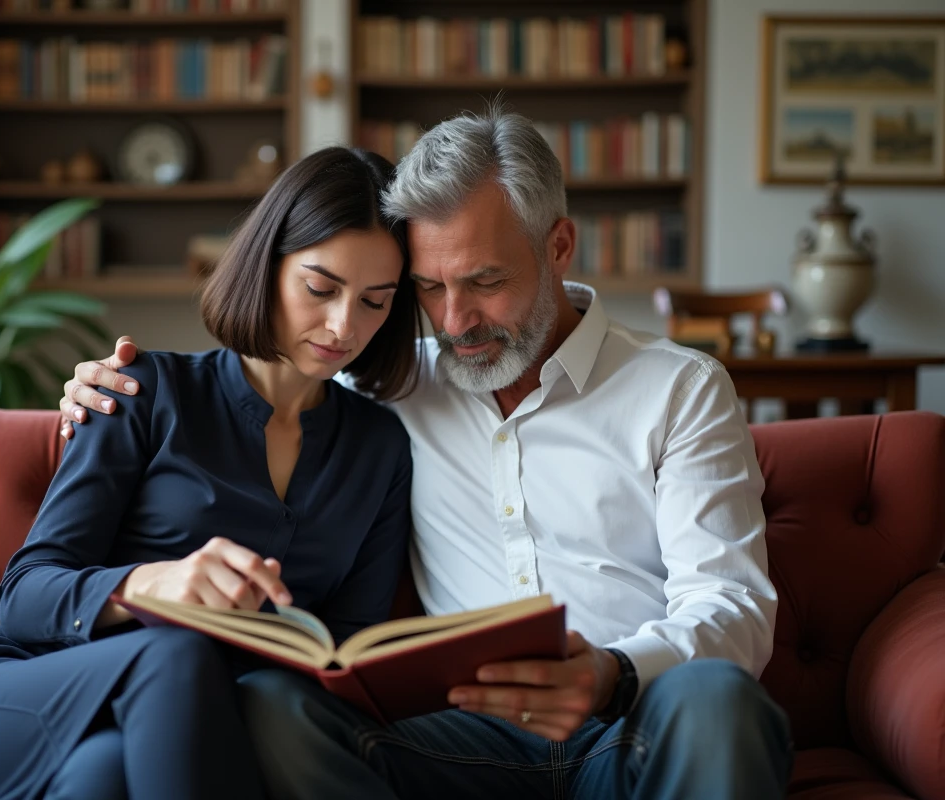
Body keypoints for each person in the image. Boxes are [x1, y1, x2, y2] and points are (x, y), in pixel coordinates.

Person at [58, 108, 794, 799]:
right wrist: (103, 388)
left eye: (485, 281)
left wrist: (611, 673)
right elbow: (266, 371)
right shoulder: (386, 382)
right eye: (428, 288)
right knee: (273, 708)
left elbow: (731, 604)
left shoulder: (680, 388)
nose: (455, 320)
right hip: (459, 745)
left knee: (720, 699)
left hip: (633, 726)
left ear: (559, 245)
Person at [0, 146, 421, 800]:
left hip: (168, 736)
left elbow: (347, 656)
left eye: (375, 302)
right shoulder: (144, 390)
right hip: (14, 704)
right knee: (178, 652)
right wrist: (155, 585)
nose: (344, 325)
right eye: (320, 288)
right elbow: (26, 596)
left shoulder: (379, 449)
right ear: (267, 269)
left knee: (100, 779)